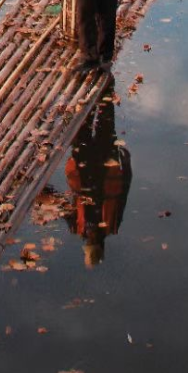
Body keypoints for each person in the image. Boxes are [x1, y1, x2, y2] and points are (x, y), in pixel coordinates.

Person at [62, 92, 132, 268]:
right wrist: (127, 166)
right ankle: (105, 89)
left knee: (82, 131)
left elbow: (64, 208)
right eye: (92, 242)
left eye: (88, 243)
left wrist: (44, 197)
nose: (89, 238)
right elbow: (123, 194)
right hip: (105, 166)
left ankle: (86, 96)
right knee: (105, 125)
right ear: (99, 243)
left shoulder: (78, 228)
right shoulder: (112, 224)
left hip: (83, 169)